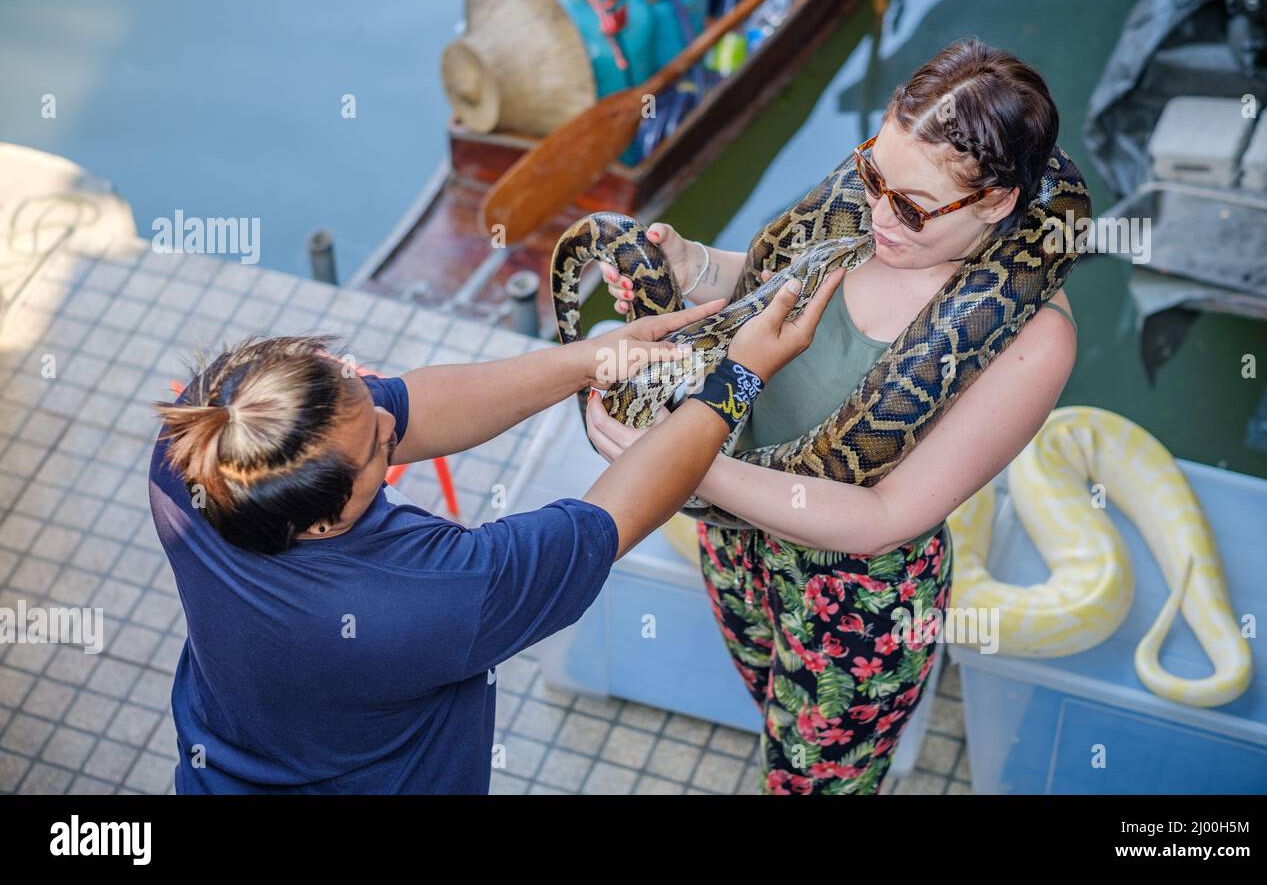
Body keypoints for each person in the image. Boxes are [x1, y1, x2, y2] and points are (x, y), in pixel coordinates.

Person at [590, 37, 1079, 795]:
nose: (879, 214)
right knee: (773, 719)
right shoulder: (872, 212)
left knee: (812, 785)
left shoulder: (1032, 338)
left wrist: (683, 460)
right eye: (872, 174)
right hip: (733, 537)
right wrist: (693, 270)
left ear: (998, 201)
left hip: (855, 598)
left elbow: (885, 513)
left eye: (912, 207)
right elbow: (768, 288)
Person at [147, 269, 843, 794]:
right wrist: (740, 379)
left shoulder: (203, 437)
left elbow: (414, 405)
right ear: (323, 518)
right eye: (379, 452)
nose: (392, 428)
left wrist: (594, 358)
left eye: (368, 401)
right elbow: (615, 514)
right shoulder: (429, 595)